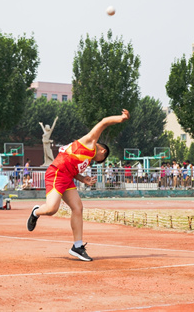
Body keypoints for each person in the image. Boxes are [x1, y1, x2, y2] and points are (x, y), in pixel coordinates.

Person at [27, 109, 130, 262]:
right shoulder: (90, 142)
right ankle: (36, 212)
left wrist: (83, 179)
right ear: (102, 150)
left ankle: (77, 246)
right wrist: (121, 119)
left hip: (67, 177)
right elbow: (103, 122)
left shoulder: (87, 159)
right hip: (56, 173)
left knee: (78, 207)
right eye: (101, 158)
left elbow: (72, 168)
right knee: (51, 209)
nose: (98, 160)